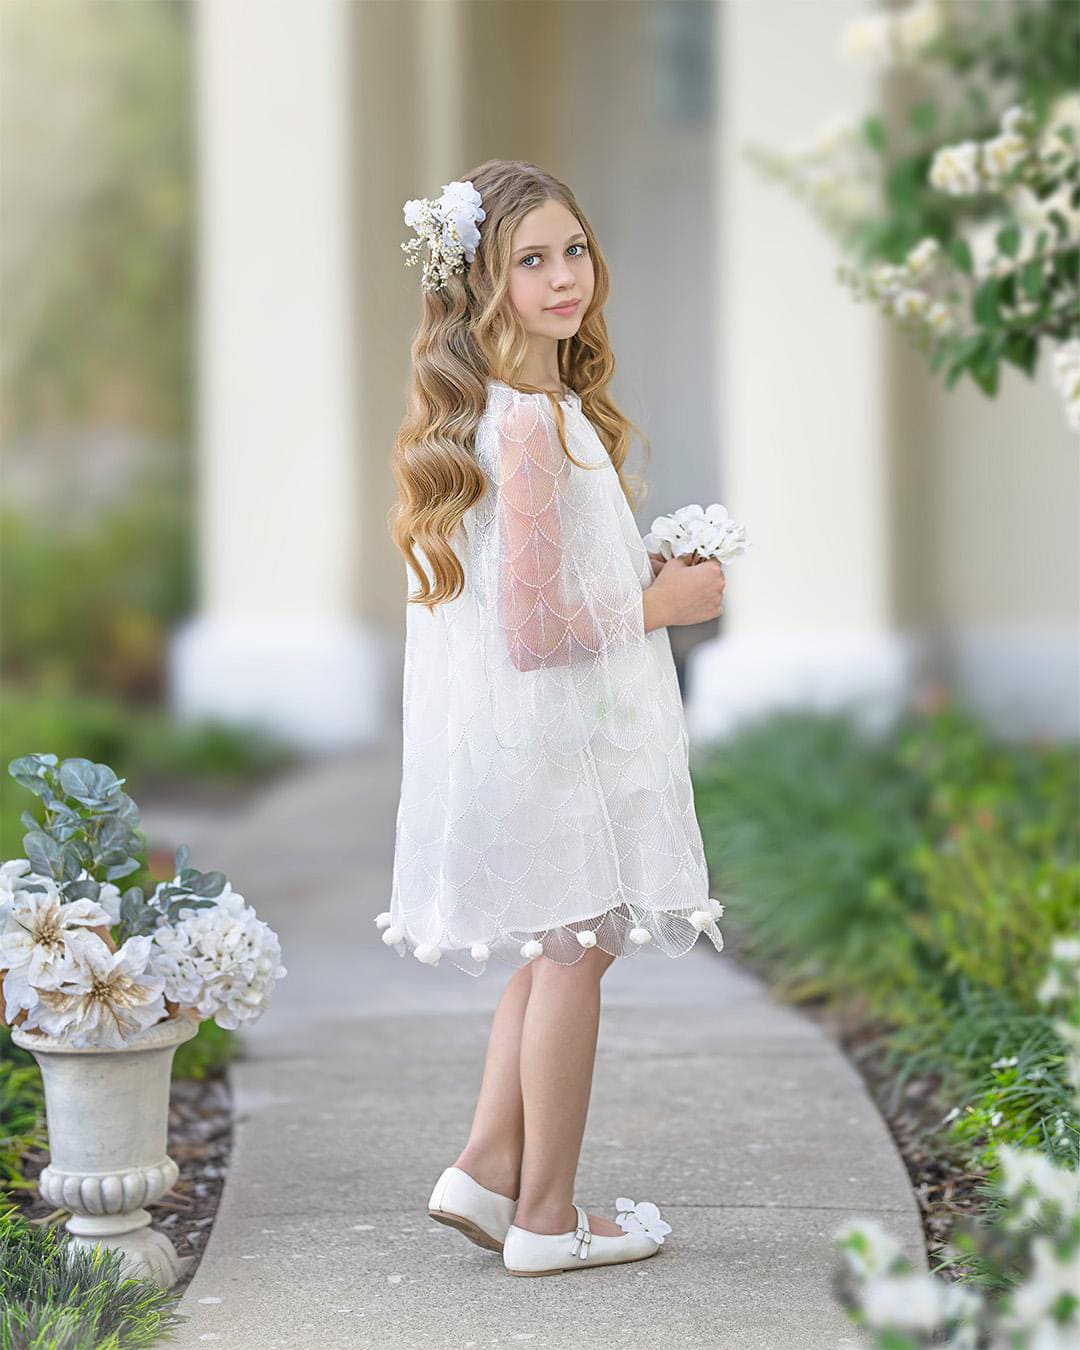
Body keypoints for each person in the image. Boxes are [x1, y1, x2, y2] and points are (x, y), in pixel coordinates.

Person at [379, 160, 726, 1278]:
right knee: (575, 952)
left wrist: (638, 574)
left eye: (574, 249)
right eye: (531, 260)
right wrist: (665, 604)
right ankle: (547, 1216)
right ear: (481, 282)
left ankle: (486, 1168)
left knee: (560, 946)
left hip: (543, 729)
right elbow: (533, 629)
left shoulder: (526, 408)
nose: (565, 276)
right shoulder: (526, 423)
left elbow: (543, 587)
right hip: (552, 731)